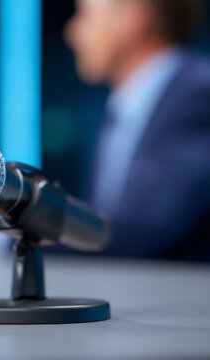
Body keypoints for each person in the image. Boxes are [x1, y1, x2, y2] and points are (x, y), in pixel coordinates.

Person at [65, 0, 210, 260]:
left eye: (85, 15)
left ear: (132, 18)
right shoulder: (124, 109)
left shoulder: (198, 94)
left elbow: (142, 230)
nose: (72, 32)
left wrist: (10, 235)